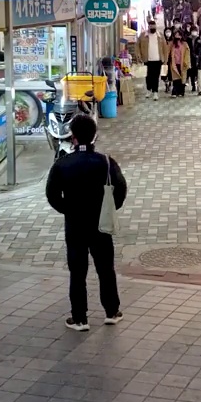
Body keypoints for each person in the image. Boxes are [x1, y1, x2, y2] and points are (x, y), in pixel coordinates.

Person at [45, 115, 127, 332]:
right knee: (105, 268)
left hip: (75, 225)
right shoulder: (107, 162)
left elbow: (52, 195)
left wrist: (67, 209)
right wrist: (109, 208)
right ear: (94, 136)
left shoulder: (62, 164)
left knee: (77, 271)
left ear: (73, 137)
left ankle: (80, 318)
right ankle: (111, 311)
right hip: (100, 224)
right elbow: (121, 190)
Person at [139, 21, 169, 101]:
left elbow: (165, 48)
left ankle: (155, 92)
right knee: (148, 76)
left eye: (154, 27)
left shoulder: (160, 36)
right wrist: (139, 57)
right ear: (148, 27)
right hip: (147, 59)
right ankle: (148, 90)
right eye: (151, 27)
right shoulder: (143, 35)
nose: (152, 28)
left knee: (156, 76)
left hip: (158, 59)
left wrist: (165, 59)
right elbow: (137, 46)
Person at [168, 33, 191, 97]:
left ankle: (181, 92)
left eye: (179, 35)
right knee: (175, 78)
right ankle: (174, 92)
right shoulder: (171, 44)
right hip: (174, 63)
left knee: (182, 78)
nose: (177, 36)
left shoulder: (184, 44)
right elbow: (168, 52)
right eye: (176, 35)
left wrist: (187, 62)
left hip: (183, 63)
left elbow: (187, 53)